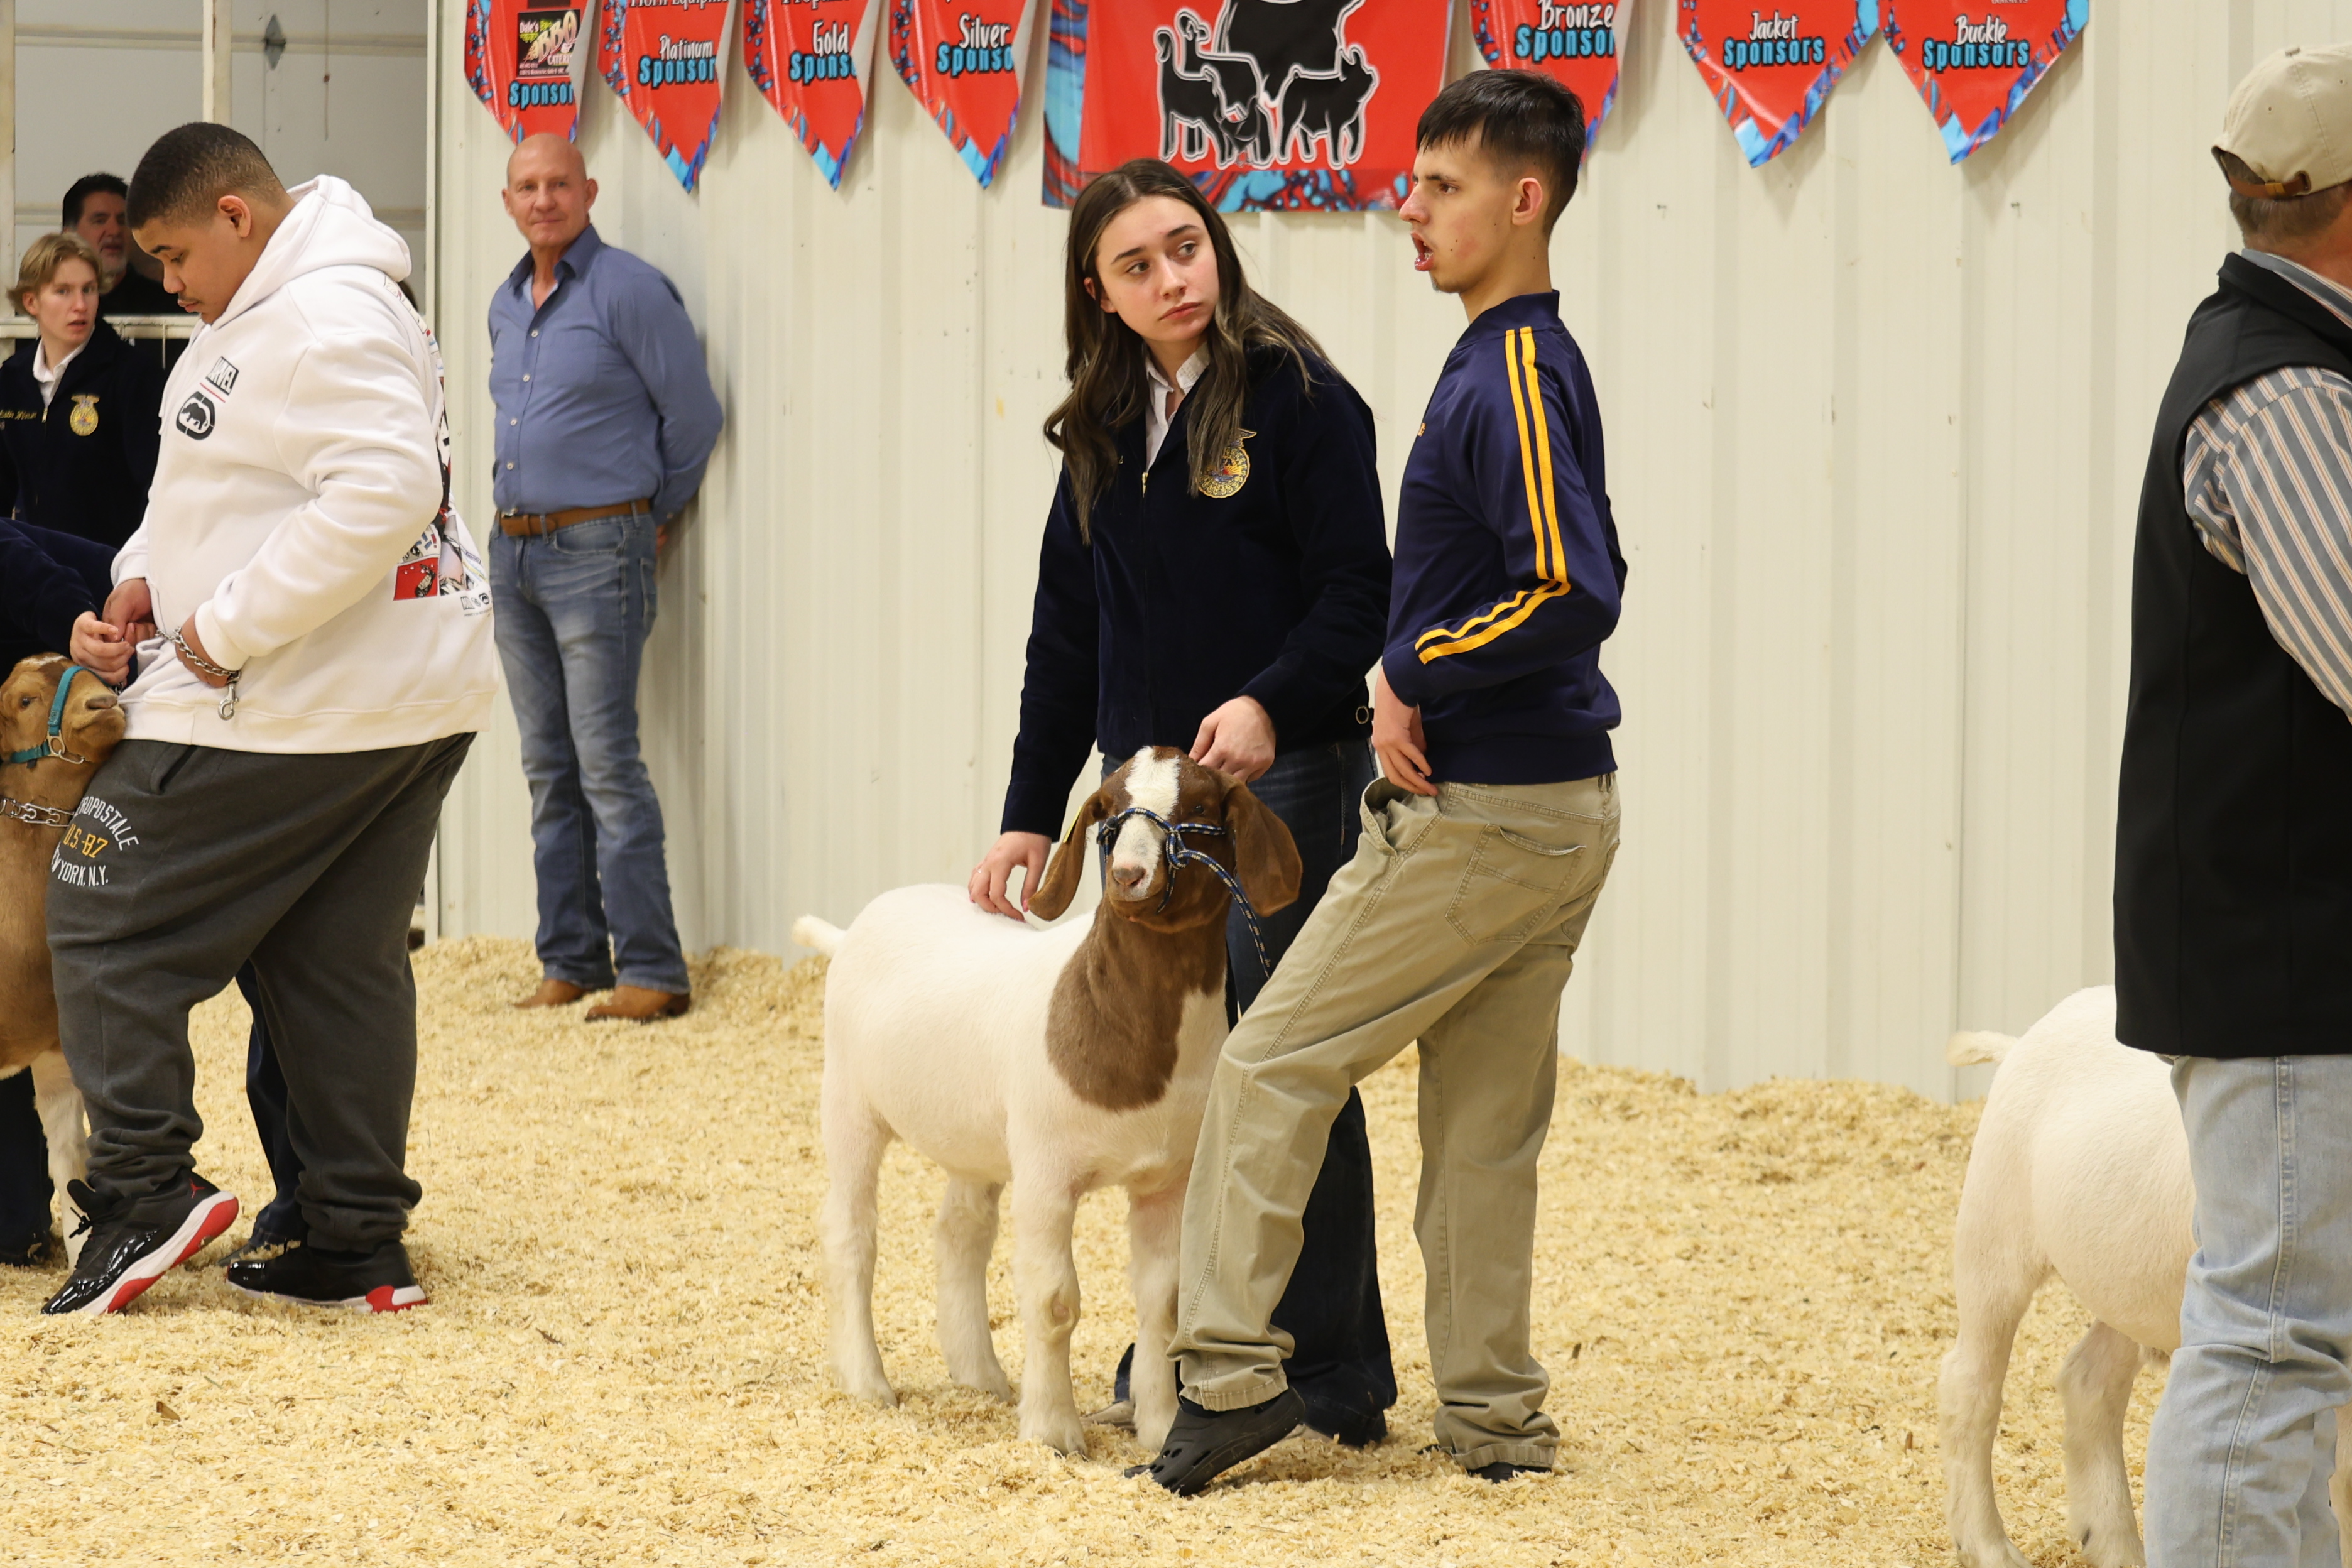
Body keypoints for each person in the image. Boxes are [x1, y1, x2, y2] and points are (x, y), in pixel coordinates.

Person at [1141, 70, 1625, 1494]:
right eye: (1410, 183)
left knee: (1269, 1059)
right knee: (1479, 1135)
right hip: (1549, 806)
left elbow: (1572, 584)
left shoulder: (1514, 371)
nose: (1408, 210)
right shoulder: (1508, 361)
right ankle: (1493, 1423)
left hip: (1486, 815)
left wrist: (1410, 668)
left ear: (1522, 199)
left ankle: (1226, 1374)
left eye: (1440, 188)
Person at [968, 157, 1399, 1444]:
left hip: (1280, 780)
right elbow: (1065, 638)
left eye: (1186, 247)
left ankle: (1328, 1366)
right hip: (1142, 805)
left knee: (1282, 1057)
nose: (1172, 278)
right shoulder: (1100, 431)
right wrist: (1031, 809)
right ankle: (1191, 1345)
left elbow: (1359, 596)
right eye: (1138, 264)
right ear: (1095, 293)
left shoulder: (1303, 402)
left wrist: (1269, 700)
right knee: (1172, 1070)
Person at [43, 122, 497, 1316]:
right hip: (383, 692)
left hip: (302, 698)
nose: (165, 281)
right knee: (330, 960)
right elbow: (210, 491)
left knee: (98, 897)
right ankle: (356, 1239)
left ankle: (143, 1191)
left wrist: (225, 628)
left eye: (172, 254)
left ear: (236, 217)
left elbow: (387, 488)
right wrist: (145, 579)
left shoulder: (324, 314)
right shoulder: (269, 309)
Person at [2116, 44, 2352, 1568]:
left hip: (2276, 942)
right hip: (2281, 953)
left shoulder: (2277, 363)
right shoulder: (2285, 393)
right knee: (2271, 1341)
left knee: (2287, 1342)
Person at [489, 133, 721, 1023]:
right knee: (548, 767)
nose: (543, 200)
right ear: (508, 202)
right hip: (514, 552)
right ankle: (571, 959)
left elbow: (694, 418)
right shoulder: (506, 302)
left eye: (559, 184)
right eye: (527, 187)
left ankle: (653, 970)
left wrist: (650, 514)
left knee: (606, 765)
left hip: (597, 550)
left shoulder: (629, 290)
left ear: (588, 193)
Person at [0, 231, 165, 550]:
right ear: (31, 302)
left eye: (89, 290)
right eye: (63, 291)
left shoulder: (132, 375)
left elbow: (155, 486)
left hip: (109, 563)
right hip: (36, 565)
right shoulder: (12, 377)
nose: (80, 305)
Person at [65, 174, 180, 317]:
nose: (115, 231)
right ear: (69, 235)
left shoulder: (169, 307)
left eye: (122, 221)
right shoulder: (48, 303)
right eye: (100, 221)